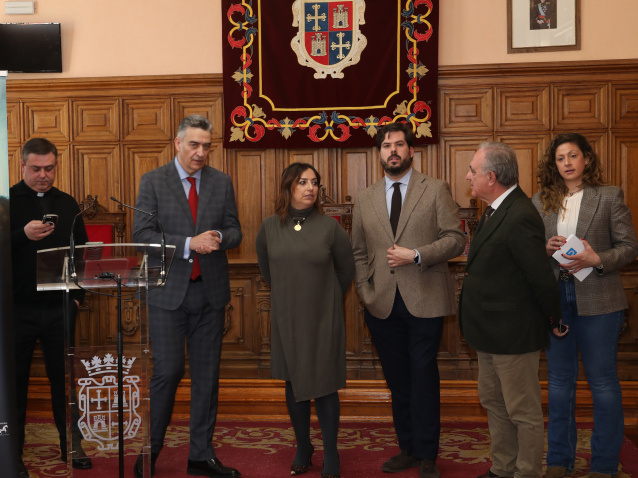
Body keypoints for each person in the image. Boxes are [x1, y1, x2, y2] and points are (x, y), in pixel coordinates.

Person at [351, 123, 465, 478]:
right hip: (381, 303)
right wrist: (365, 291)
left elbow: (455, 240)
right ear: (379, 153)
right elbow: (358, 252)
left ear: (411, 151)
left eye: (399, 144)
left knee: (423, 375)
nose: (393, 151)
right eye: (386, 146)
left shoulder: (435, 189)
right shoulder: (365, 198)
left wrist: (416, 255)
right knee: (398, 379)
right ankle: (408, 449)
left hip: (425, 299)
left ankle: (428, 453)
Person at [132, 115, 242, 478]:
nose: (200, 152)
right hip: (167, 295)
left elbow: (235, 230)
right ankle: (150, 451)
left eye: (206, 146)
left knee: (207, 377)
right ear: (178, 143)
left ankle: (201, 455)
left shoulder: (221, 182)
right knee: (168, 371)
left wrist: (220, 238)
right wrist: (187, 244)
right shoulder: (153, 181)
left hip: (210, 294)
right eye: (194, 145)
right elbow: (142, 236)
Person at [532, 133, 638, 478]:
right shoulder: (540, 201)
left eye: (573, 155)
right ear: (554, 164)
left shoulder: (609, 196)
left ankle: (604, 464)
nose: (566, 163)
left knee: (602, 382)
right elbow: (529, 251)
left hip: (600, 299)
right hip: (557, 299)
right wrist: (544, 249)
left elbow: (629, 247)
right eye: (560, 158)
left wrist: (597, 259)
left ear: (587, 159)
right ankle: (558, 460)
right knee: (559, 382)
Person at [460, 141, 565, 478]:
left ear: (491, 177)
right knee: (494, 402)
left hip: (513, 332)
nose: (468, 176)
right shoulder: (495, 209)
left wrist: (553, 318)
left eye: (472, 171)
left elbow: (540, 276)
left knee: (522, 410)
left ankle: (527, 472)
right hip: (489, 330)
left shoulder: (520, 214)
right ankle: (503, 468)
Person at [256, 163, 354, 478]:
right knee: (293, 381)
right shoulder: (269, 227)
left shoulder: (330, 228)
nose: (310, 188)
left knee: (324, 385)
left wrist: (327, 299)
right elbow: (267, 270)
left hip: (323, 317)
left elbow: (347, 270)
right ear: (288, 187)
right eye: (302, 182)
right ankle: (303, 446)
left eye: (314, 182)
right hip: (287, 316)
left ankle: (331, 453)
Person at [10, 137, 91, 477]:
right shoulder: (5, 202)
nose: (43, 175)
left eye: (49, 168)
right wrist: (22, 235)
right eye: (36, 168)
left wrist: (78, 297)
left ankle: (71, 444)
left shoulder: (67, 203)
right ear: (22, 166)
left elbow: (82, 251)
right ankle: (13, 453)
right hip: (18, 309)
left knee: (65, 380)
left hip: (60, 306)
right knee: (16, 384)